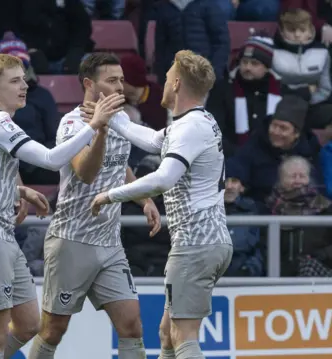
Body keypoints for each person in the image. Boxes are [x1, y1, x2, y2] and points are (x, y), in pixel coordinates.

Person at [0, 53, 122, 359]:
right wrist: (94, 125)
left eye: (24, 79)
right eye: (15, 81)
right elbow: (51, 159)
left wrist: (17, 190)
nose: (25, 86)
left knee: (29, 323)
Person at [86, 50, 233, 359]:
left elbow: (164, 178)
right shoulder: (199, 121)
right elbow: (154, 140)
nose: (163, 83)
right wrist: (111, 119)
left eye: (166, 78)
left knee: (183, 335)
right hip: (207, 242)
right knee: (167, 333)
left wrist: (111, 194)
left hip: (196, 244)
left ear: (177, 83)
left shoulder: (190, 127)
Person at [28, 52, 161, 359]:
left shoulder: (123, 118)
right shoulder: (72, 124)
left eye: (121, 80)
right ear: (89, 83)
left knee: (132, 325)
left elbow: (119, 165)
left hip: (109, 243)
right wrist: (100, 130)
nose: (120, 87)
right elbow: (86, 173)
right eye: (111, 80)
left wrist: (144, 199)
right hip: (72, 241)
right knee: (52, 330)